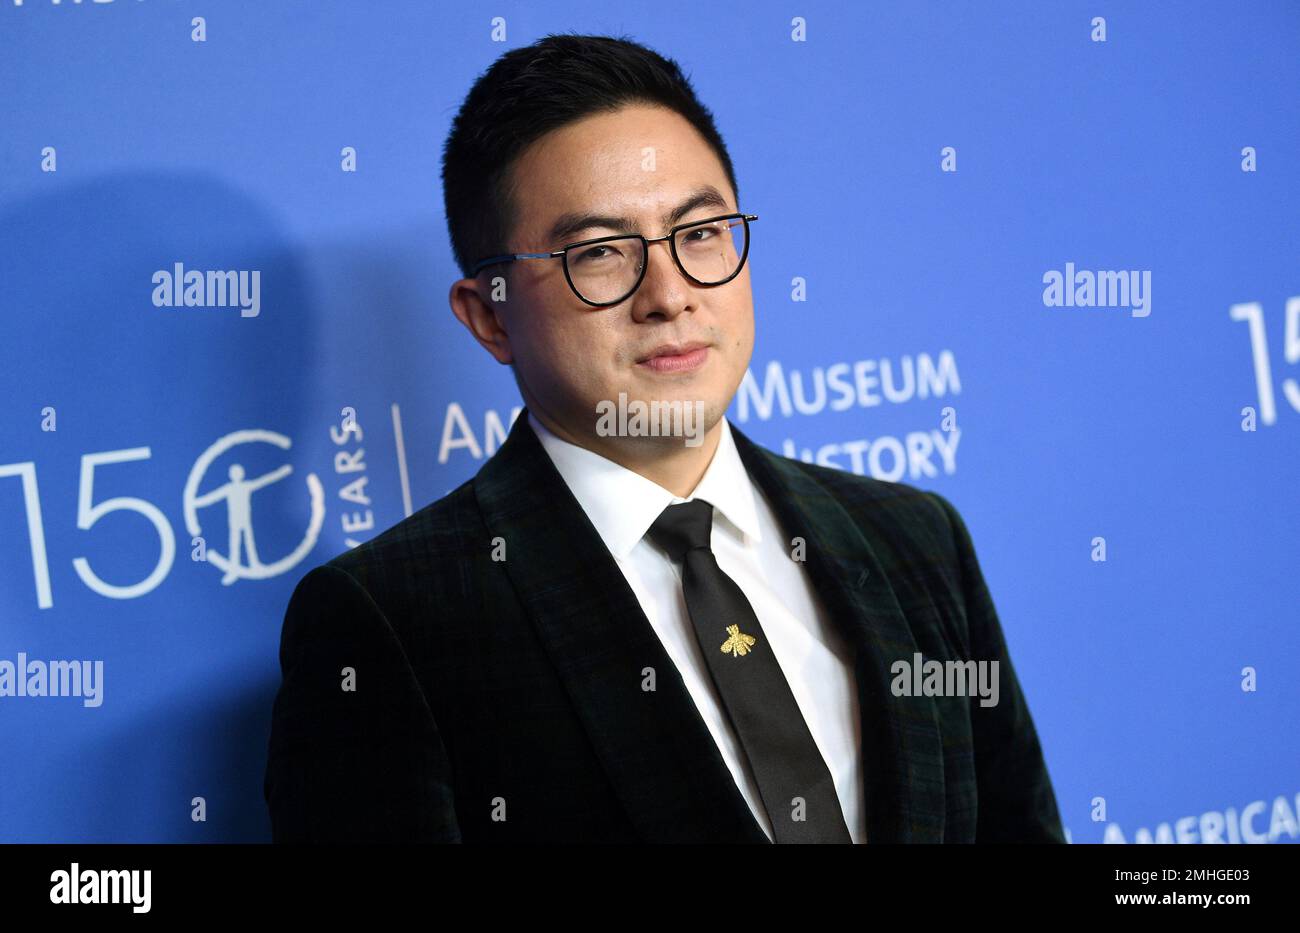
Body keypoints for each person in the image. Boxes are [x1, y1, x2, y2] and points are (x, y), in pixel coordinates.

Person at [263, 32, 1066, 843]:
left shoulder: (916, 542)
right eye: (601, 253)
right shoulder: (391, 623)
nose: (671, 294)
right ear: (489, 315)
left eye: (702, 232)